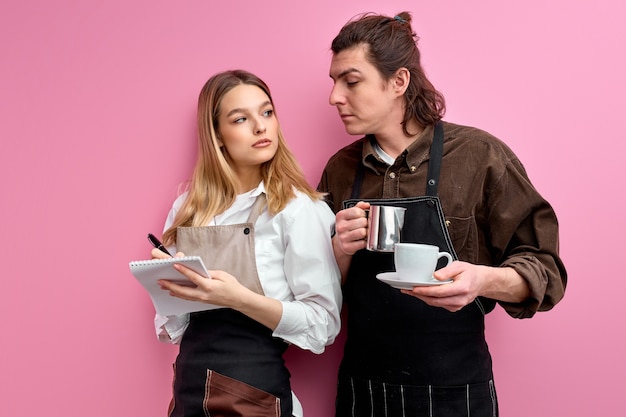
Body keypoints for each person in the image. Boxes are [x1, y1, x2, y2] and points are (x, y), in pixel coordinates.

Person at [317, 11, 567, 416]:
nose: (334, 97)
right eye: (334, 82)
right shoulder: (340, 171)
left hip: (454, 394)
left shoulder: (479, 157)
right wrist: (338, 250)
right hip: (362, 392)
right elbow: (315, 296)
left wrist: (482, 279)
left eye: (351, 81)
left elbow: (547, 272)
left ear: (398, 81)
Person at [151, 69, 342, 417]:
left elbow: (322, 324)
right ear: (217, 135)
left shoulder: (298, 209)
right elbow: (174, 331)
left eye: (267, 112)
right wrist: (169, 285)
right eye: (241, 119)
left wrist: (238, 299)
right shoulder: (188, 210)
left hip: (257, 399)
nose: (261, 127)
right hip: (190, 394)